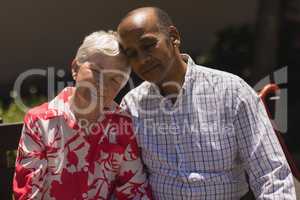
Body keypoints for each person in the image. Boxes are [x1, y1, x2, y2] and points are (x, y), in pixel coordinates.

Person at [117, 7, 296, 199]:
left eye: (148, 45)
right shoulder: (132, 105)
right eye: (132, 54)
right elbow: (125, 179)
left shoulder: (232, 92)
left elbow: (271, 174)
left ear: (174, 37)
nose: (142, 60)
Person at [13, 31, 152, 200]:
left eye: (115, 80)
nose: (103, 84)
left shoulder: (122, 125)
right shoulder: (40, 122)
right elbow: (29, 194)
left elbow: (134, 191)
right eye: (96, 70)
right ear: (75, 68)